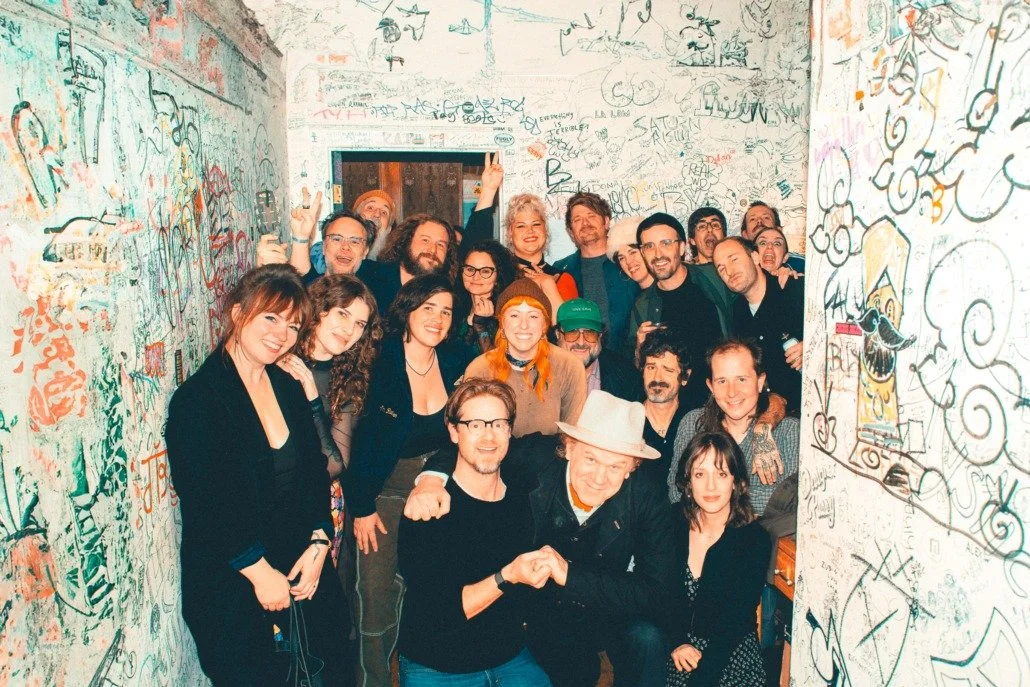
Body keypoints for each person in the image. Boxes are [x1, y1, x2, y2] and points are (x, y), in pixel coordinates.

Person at [406, 390, 677, 687]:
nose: (600, 477)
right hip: (537, 612)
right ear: (569, 448)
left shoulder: (648, 496)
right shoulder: (536, 458)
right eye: (591, 459)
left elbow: (656, 589)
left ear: (631, 469)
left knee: (646, 638)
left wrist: (570, 577)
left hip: (607, 605)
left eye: (615, 466)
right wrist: (431, 477)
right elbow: (480, 448)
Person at [165, 264, 349, 684]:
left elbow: (312, 474)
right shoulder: (199, 400)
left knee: (334, 664)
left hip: (301, 560)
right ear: (236, 313)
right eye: (270, 317)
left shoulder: (285, 385)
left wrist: (321, 538)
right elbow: (207, 502)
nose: (281, 334)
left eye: (293, 325)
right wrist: (258, 571)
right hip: (231, 576)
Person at [345, 275, 473, 687]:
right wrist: (362, 507)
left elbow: (465, 433)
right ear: (409, 309)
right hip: (379, 492)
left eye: (447, 311)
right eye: (428, 308)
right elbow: (356, 440)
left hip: (439, 488)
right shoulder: (377, 359)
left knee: (434, 590)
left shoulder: (458, 360)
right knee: (375, 599)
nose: (437, 319)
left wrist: (435, 475)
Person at [396, 379, 554, 685]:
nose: (489, 437)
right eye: (475, 425)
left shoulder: (523, 493)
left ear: (510, 431)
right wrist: (507, 576)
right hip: (438, 663)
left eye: (498, 424)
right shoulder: (428, 507)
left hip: (509, 656)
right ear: (454, 432)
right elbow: (440, 614)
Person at [274, 274, 382, 647]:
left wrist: (310, 397)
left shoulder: (347, 379)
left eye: (360, 324)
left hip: (320, 509)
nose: (349, 329)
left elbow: (335, 465)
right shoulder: (275, 356)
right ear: (318, 310)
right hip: (271, 503)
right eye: (342, 314)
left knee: (314, 622)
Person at [664, 432, 770, 687]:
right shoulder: (670, 523)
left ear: (736, 481)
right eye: (700, 474)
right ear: (688, 481)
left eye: (721, 474)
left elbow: (733, 622)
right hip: (677, 646)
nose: (711, 486)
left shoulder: (754, 539)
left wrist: (701, 681)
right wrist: (677, 641)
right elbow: (660, 593)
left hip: (731, 652)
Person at [668, 339, 798, 516]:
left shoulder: (788, 431)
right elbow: (676, 491)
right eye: (722, 381)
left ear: (760, 382)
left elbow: (780, 503)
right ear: (711, 386)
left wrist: (706, 494)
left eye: (741, 379)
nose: (732, 392)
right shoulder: (693, 423)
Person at [464, 278, 586, 437]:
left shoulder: (569, 366)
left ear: (544, 325)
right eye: (514, 315)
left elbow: (571, 436)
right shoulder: (479, 369)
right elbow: (472, 435)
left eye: (533, 316)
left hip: (551, 459)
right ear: (502, 322)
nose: (523, 325)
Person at [627, 213, 724, 402]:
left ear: (681, 247)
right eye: (649, 246)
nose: (657, 254)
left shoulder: (714, 277)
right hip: (675, 408)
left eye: (665, 243)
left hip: (723, 400)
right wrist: (640, 348)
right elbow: (637, 366)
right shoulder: (643, 304)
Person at [463, 155, 577, 314]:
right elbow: (471, 248)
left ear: (546, 230)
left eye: (536, 224)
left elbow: (570, 330)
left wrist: (549, 288)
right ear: (510, 233)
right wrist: (488, 191)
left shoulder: (562, 278)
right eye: (521, 226)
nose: (530, 231)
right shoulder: (495, 273)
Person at [712, 237, 804, 413]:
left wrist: (814, 348)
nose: (729, 271)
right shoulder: (735, 311)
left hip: (809, 415)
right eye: (721, 268)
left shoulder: (795, 291)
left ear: (755, 258)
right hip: (763, 412)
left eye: (734, 259)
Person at [553, 191, 639, 346]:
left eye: (591, 216)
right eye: (577, 220)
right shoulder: (560, 271)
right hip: (580, 361)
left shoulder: (629, 263)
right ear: (571, 231)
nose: (585, 223)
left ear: (606, 222)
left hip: (626, 361)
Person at [637, 329, 695, 487]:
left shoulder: (695, 423)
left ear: (685, 377)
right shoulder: (627, 421)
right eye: (651, 367)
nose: (657, 378)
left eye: (668, 370)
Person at [554, 298, 641, 401]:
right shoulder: (539, 375)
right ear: (557, 334)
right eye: (572, 332)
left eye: (590, 333)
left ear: (600, 335)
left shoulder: (626, 376)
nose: (581, 342)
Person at [373, 213, 459, 310]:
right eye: (425, 240)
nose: (433, 250)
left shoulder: (446, 294)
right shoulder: (371, 275)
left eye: (440, 245)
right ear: (406, 241)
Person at [453, 239, 518, 354]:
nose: (476, 277)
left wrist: (480, 326)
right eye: (470, 269)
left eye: (485, 271)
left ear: (498, 277)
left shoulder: (508, 314)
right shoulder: (456, 307)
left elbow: (496, 365)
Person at [738, 201, 804, 272]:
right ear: (745, 235)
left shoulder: (800, 264)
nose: (759, 221)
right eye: (752, 219)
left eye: (766, 217)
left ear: (778, 230)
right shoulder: (737, 264)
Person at [607, 215, 654, 290]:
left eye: (632, 252)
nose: (628, 262)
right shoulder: (638, 299)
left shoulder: (669, 287)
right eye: (621, 258)